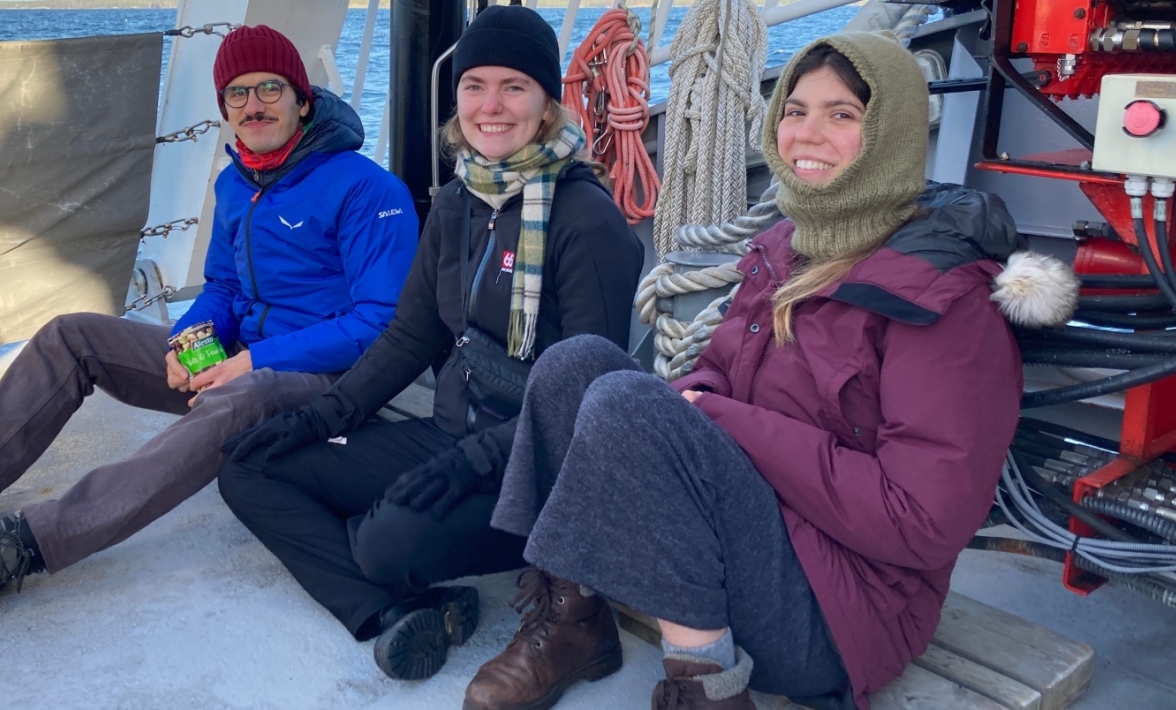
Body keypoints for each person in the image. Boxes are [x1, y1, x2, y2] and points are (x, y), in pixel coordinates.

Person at [463, 32, 1081, 710]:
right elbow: (717, 378)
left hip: (845, 612)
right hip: (760, 530)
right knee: (575, 366)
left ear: (891, 133)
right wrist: (684, 422)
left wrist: (719, 421)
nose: (806, 133)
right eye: (795, 110)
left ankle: (707, 689)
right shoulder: (791, 245)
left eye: (842, 114)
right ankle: (573, 621)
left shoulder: (949, 303)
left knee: (626, 401)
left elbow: (919, 521)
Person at [0, 24, 420, 632]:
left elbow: (380, 323)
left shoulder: (367, 189)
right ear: (224, 106)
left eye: (271, 88)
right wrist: (187, 342)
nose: (253, 104)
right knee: (74, 335)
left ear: (303, 100)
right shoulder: (237, 183)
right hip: (245, 361)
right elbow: (223, 290)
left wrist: (250, 364)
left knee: (237, 396)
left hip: (328, 382)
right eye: (237, 92)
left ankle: (24, 544)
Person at [214, 4, 644, 684]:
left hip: (533, 467)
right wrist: (322, 416)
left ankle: (388, 566)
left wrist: (475, 460)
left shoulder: (585, 219)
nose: (491, 105)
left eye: (514, 87)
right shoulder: (457, 203)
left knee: (387, 540)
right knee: (248, 468)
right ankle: (394, 613)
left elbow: (589, 393)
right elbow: (411, 334)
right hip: (452, 434)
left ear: (545, 103)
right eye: (475, 86)